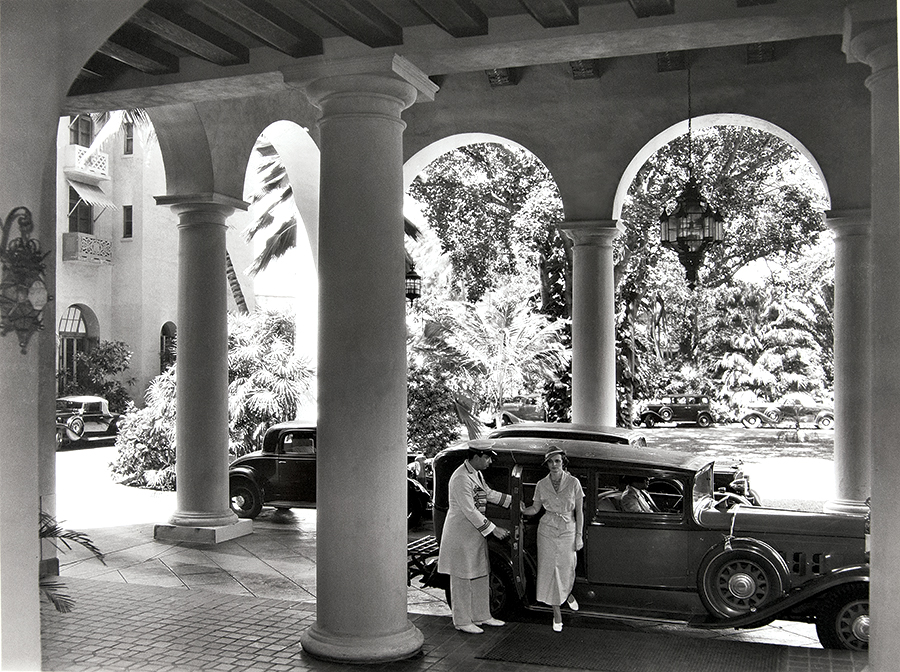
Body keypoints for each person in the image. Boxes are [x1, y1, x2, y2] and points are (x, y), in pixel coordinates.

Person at [437, 445, 512, 634]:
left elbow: (487, 493)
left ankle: (482, 615)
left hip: (475, 534)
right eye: (487, 458)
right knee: (461, 577)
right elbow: (469, 510)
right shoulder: (461, 477)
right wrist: (494, 529)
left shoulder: (476, 473)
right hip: (460, 535)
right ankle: (462, 620)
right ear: (477, 456)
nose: (490, 462)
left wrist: (513, 501)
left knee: (480, 573)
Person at [520, 446, 584, 632]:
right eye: (550, 461)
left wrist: (579, 536)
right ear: (546, 464)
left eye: (557, 461)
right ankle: (557, 613)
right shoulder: (541, 484)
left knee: (567, 567)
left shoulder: (573, 483)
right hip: (546, 530)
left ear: (563, 461)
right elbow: (535, 509)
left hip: (568, 529)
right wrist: (524, 509)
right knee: (549, 569)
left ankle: (568, 593)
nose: (554, 464)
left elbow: (579, 512)